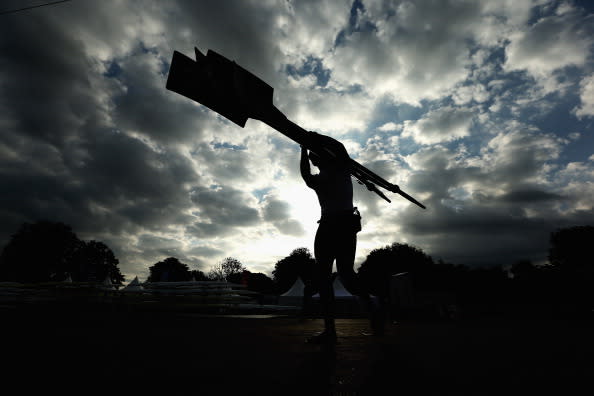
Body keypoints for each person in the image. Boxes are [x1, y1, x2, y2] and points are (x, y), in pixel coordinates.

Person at [300, 132, 383, 345]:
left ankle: (370, 311)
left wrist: (313, 137)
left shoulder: (342, 169)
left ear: (321, 157)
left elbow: (339, 146)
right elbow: (305, 174)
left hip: (341, 225)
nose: (312, 159)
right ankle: (330, 330)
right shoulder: (326, 177)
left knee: (345, 275)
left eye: (313, 156)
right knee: (326, 277)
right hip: (330, 225)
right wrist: (303, 147)